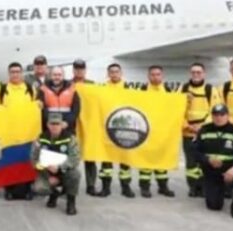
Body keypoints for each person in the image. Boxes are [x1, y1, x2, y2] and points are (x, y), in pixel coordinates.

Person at [193, 104, 233, 219]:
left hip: (230, 169)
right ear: (212, 116)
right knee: (214, 206)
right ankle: (220, 188)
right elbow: (194, 152)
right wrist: (207, 160)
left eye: (222, 115)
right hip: (211, 169)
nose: (219, 118)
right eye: (215, 115)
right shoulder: (204, 130)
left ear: (228, 116)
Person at [179, 63, 221, 198]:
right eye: (193, 72)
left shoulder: (210, 90)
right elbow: (177, 111)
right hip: (188, 132)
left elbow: (214, 111)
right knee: (191, 163)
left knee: (204, 161)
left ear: (204, 74)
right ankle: (192, 187)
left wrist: (202, 127)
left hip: (205, 133)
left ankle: (203, 186)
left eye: (199, 72)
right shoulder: (183, 89)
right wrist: (187, 125)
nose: (196, 75)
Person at [93, 63, 135, 198]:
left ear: (121, 73)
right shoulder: (103, 88)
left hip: (125, 127)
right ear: (108, 74)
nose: (114, 74)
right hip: (108, 127)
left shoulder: (129, 88)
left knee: (125, 160)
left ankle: (126, 186)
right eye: (112, 72)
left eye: (117, 72)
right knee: (106, 160)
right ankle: (106, 187)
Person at [1, 62, 38, 200]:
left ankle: (28, 189)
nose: (15, 74)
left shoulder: (30, 88)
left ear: (21, 73)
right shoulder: (2, 89)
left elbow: (36, 108)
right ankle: (9, 189)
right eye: (12, 72)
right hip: (9, 134)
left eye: (17, 72)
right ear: (9, 74)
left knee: (26, 162)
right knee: (9, 162)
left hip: (26, 133)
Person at [31, 113, 81, 216]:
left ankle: (71, 202)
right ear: (48, 125)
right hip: (47, 172)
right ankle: (54, 194)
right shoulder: (40, 139)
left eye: (57, 123)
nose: (54, 126)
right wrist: (46, 173)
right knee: (38, 188)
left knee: (75, 174)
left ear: (62, 125)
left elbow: (75, 158)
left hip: (64, 172)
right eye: (52, 123)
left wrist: (59, 168)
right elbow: (34, 160)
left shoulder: (70, 139)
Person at [138, 65, 175, 198]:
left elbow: (173, 109)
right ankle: (145, 187)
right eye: (152, 74)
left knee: (161, 160)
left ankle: (163, 186)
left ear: (162, 76)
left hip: (162, 131)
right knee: (145, 161)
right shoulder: (142, 90)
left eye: (158, 74)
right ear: (148, 76)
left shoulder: (168, 90)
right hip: (146, 130)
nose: (155, 77)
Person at [38, 67, 80, 135]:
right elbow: (41, 109)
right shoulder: (43, 89)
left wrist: (67, 122)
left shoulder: (72, 89)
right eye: (54, 75)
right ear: (50, 76)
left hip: (68, 128)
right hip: (49, 128)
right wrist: (52, 123)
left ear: (63, 76)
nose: (57, 77)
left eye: (59, 75)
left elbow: (76, 109)